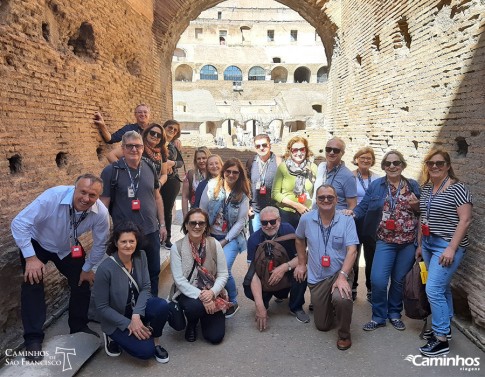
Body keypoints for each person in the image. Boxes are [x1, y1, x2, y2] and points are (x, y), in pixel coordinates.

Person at [11, 174, 110, 361]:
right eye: (83, 192)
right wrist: (30, 257)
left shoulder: (101, 213)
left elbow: (100, 243)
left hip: (67, 247)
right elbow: (19, 223)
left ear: (98, 196)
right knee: (32, 285)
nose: (86, 198)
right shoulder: (53, 197)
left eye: (92, 195)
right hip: (37, 243)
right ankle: (33, 339)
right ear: (74, 188)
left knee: (82, 280)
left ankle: (79, 326)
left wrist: (88, 268)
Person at [348, 150, 420, 332]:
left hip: (407, 241)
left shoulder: (412, 185)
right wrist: (351, 213)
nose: (392, 166)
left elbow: (423, 212)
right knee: (378, 279)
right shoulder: (377, 185)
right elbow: (364, 206)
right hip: (384, 240)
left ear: (402, 165)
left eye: (396, 163)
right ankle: (379, 316)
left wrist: (416, 206)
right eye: (388, 164)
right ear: (383, 167)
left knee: (398, 280)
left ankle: (394, 313)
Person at [417, 149, 472, 357]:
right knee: (442, 287)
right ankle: (445, 328)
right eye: (431, 163)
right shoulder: (428, 187)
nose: (435, 167)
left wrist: (451, 248)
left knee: (434, 290)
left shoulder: (458, 188)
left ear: (448, 166)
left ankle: (440, 340)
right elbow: (424, 216)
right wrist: (421, 244)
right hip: (430, 244)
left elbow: (465, 220)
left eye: (440, 163)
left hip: (447, 246)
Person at [100, 131, 167, 297]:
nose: (134, 149)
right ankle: (130, 312)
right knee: (126, 274)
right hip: (125, 235)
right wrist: (103, 233)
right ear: (122, 148)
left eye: (137, 146)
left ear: (143, 148)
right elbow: (103, 204)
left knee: (153, 271)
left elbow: (157, 197)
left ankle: (150, 309)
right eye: (129, 146)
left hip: (150, 230)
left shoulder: (149, 166)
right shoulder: (111, 171)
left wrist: (163, 224)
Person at [94, 222, 170, 362]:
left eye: (131, 241)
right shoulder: (105, 269)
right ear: (116, 243)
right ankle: (113, 337)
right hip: (117, 317)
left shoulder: (141, 256)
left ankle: (155, 340)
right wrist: (129, 323)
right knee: (146, 351)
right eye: (123, 241)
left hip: (136, 311)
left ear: (137, 242)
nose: (128, 245)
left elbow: (146, 287)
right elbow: (102, 307)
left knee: (162, 306)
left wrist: (136, 316)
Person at [294, 185, 358, 351]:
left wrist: (343, 276)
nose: (326, 200)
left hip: (339, 273)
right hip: (317, 278)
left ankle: (344, 334)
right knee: (322, 325)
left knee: (342, 298)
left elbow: (352, 250)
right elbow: (299, 239)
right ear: (316, 200)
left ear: (337, 199)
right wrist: (301, 263)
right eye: (321, 197)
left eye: (330, 197)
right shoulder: (306, 219)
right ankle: (331, 306)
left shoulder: (346, 220)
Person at [199, 158, 250, 318]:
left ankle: (233, 301)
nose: (231, 174)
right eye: (228, 171)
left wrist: (225, 240)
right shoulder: (212, 186)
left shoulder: (243, 196)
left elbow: (241, 222)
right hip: (210, 234)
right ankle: (216, 294)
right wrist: (203, 233)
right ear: (223, 171)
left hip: (231, 238)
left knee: (224, 269)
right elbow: (203, 209)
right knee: (208, 268)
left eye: (235, 172)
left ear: (240, 174)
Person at [170, 208, 230, 344]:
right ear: (186, 225)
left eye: (201, 223)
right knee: (194, 307)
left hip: (212, 291)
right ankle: (192, 323)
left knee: (215, 337)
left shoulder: (214, 244)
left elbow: (223, 274)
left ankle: (205, 317)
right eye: (193, 223)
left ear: (206, 226)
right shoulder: (177, 248)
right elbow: (179, 281)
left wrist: (212, 293)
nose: (197, 226)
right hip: (188, 293)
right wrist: (204, 297)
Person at [245, 206, 308, 330]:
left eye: (272, 221)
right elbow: (253, 274)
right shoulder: (254, 239)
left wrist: (284, 267)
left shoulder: (288, 230)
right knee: (248, 286)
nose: (269, 225)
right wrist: (259, 305)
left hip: (286, 274)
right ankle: (265, 302)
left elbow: (301, 257)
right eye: (264, 222)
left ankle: (296, 307)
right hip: (266, 278)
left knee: (301, 270)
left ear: (279, 220)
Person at [350, 146, 381, 302]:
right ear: (356, 159)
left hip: (372, 221)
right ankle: (353, 286)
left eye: (368, 158)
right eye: (362, 157)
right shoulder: (350, 177)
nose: (365, 160)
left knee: (371, 256)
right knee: (353, 254)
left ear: (372, 161)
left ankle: (370, 288)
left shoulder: (377, 179)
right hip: (354, 219)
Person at [272, 136, 317, 229]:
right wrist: (296, 206)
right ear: (290, 151)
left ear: (306, 150)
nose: (299, 153)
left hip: (307, 212)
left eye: (302, 149)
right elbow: (275, 194)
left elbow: (316, 191)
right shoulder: (283, 167)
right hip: (286, 213)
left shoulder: (313, 167)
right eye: (295, 150)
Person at [246, 134, 281, 233]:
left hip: (274, 210)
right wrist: (247, 206)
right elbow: (247, 184)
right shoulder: (251, 162)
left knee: (273, 241)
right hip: (256, 210)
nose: (261, 148)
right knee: (257, 240)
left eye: (264, 145)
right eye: (258, 146)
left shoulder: (278, 161)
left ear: (270, 145)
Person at [312, 137, 357, 210]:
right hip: (315, 217)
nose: (331, 152)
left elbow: (352, 205)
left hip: (335, 218)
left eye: (336, 150)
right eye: (328, 149)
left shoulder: (348, 176)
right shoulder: (321, 167)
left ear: (342, 153)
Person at [160, 120, 184, 249]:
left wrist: (171, 163)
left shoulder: (174, 146)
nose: (172, 131)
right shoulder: (155, 142)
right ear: (164, 127)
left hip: (171, 181)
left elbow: (180, 162)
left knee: (167, 210)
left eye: (175, 130)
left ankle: (167, 238)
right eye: (170, 127)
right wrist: (164, 164)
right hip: (157, 180)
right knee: (153, 209)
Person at [182, 147, 211, 218]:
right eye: (199, 158)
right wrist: (185, 216)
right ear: (195, 160)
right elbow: (185, 197)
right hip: (195, 213)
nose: (201, 161)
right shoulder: (191, 175)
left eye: (204, 158)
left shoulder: (215, 174)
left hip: (212, 214)